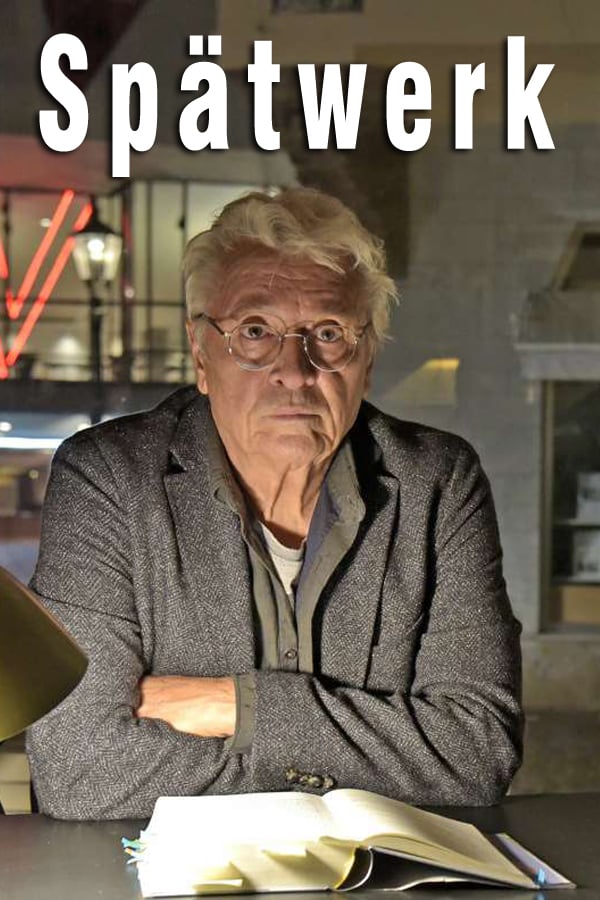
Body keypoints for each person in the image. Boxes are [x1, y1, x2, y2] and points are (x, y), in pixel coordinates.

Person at [27, 187, 522, 819]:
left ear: (367, 360)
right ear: (201, 354)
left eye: (329, 333)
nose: (295, 369)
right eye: (255, 332)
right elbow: (79, 769)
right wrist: (373, 753)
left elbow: (478, 755)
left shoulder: (438, 481)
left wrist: (240, 708)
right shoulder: (106, 478)